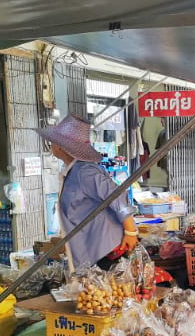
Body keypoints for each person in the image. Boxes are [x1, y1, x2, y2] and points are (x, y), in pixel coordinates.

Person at [35, 115, 138, 269]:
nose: (52, 144)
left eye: (54, 141)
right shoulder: (72, 172)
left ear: (61, 146)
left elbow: (115, 196)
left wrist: (130, 230)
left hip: (105, 250)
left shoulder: (85, 172)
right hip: (90, 250)